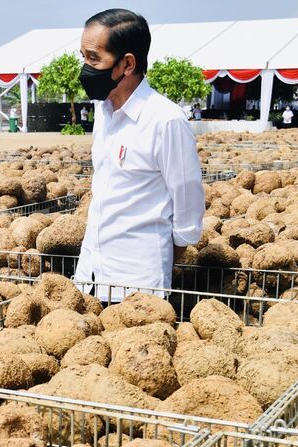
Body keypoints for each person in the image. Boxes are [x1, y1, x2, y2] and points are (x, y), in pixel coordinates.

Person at [72, 8, 204, 301]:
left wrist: (162, 262)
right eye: (83, 56)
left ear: (127, 64)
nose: (85, 67)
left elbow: (188, 202)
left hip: (137, 288)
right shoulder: (103, 111)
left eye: (94, 58)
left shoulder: (165, 120)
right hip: (90, 278)